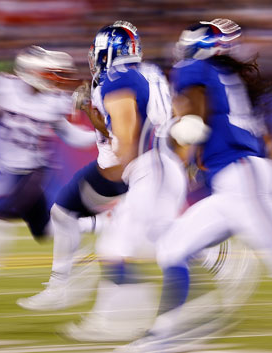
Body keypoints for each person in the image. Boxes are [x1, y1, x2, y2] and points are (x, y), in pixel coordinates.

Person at [119, 19, 272, 352]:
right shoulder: (228, 77)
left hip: (243, 178)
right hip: (235, 183)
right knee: (172, 248)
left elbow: (193, 122)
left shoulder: (194, 68)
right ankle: (166, 335)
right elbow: (269, 142)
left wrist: (175, 149)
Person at [55, 20, 191, 341]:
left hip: (147, 168)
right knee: (166, 244)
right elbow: (171, 115)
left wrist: (121, 169)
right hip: (166, 164)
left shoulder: (116, 79)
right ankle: (173, 322)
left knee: (113, 246)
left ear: (107, 52)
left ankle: (116, 321)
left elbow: (128, 134)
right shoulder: (151, 74)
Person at [0, 46, 99, 291]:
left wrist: (98, 136)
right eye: (47, 74)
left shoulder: (55, 101)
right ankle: (99, 224)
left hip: (35, 169)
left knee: (0, 213)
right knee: (44, 229)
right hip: (12, 170)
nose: (53, 80)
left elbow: (69, 134)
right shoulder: (3, 86)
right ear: (30, 72)